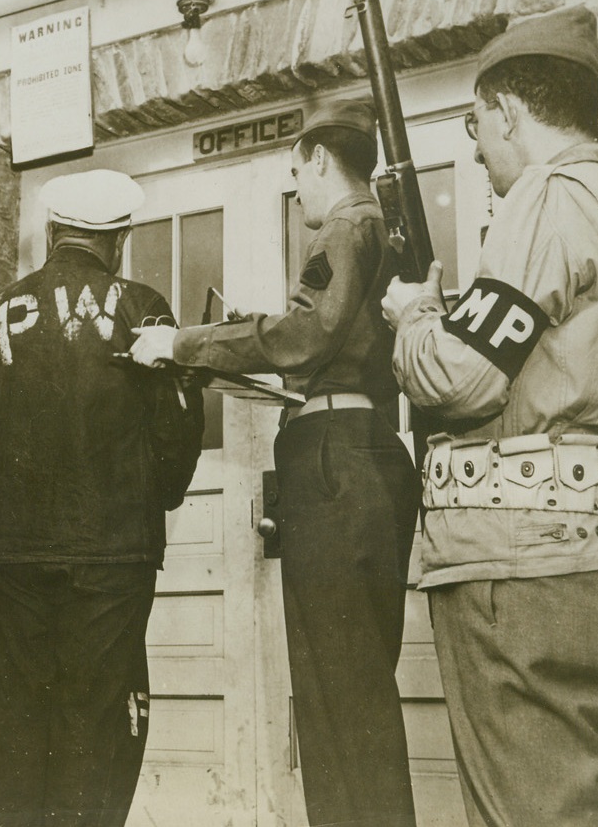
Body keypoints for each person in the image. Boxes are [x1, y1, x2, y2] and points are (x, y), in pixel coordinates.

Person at [381, 6, 598, 827]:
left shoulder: (546, 197)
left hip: (524, 574)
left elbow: (459, 381)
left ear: (508, 112)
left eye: (476, 126)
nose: (477, 150)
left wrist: (414, 318)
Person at [131, 101, 421, 827]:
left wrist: (184, 344)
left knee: (335, 696)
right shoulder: (377, 227)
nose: (296, 191)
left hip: (333, 461)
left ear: (321, 159)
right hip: (368, 451)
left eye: (297, 172)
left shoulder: (345, 227)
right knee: (358, 688)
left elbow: (305, 335)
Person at [0, 168, 204, 827]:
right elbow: (177, 429)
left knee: (19, 725)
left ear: (52, 233)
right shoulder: (140, 306)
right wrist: (154, 493)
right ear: (119, 238)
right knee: (98, 726)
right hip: (111, 556)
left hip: (11, 558)